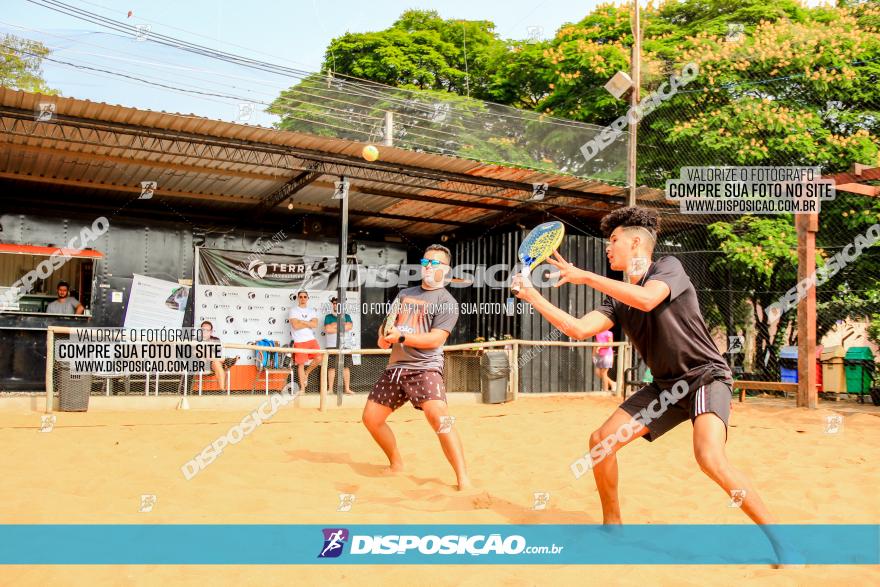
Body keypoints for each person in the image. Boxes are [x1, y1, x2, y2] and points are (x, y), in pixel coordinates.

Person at [512, 206, 791, 564]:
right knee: (601, 442)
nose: (608, 248)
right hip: (665, 387)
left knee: (709, 457)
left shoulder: (667, 268)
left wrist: (585, 277)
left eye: (613, 241)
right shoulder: (615, 297)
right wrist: (534, 297)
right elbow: (580, 330)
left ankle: (783, 542)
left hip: (704, 375)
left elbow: (647, 298)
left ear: (637, 243)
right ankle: (612, 524)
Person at [362, 244, 471, 490]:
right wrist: (383, 336)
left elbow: (435, 339)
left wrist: (401, 338)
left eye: (434, 263)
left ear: (447, 269)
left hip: (425, 368)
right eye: (425, 263)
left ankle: (463, 479)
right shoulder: (404, 294)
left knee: (440, 419)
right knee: (371, 418)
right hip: (396, 368)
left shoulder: (447, 302)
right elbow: (387, 324)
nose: (428, 268)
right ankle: (396, 463)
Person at [288, 290, 320, 392]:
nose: (302, 299)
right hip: (299, 341)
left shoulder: (312, 311)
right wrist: (308, 323)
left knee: (319, 358)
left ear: (307, 298)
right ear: (298, 298)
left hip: (311, 340)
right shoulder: (293, 310)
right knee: (300, 364)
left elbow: (315, 325)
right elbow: (296, 326)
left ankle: (307, 373)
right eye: (300, 297)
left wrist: (301, 321)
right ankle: (302, 389)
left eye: (305, 297)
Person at [323, 296, 354, 395]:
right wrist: (341, 326)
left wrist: (334, 326)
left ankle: (347, 389)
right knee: (331, 367)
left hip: (345, 345)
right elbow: (327, 329)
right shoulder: (328, 317)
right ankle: (330, 389)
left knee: (346, 367)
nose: (336, 305)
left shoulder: (347, 316)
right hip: (331, 345)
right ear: (332, 304)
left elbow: (349, 327)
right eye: (334, 303)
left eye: (338, 303)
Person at [199, 320, 237, 390]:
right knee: (202, 349)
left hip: (212, 364)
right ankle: (226, 361)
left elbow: (217, 351)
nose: (205, 332)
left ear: (211, 332)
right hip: (201, 364)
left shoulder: (215, 339)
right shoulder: (196, 340)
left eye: (207, 330)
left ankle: (222, 391)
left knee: (216, 362)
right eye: (203, 330)